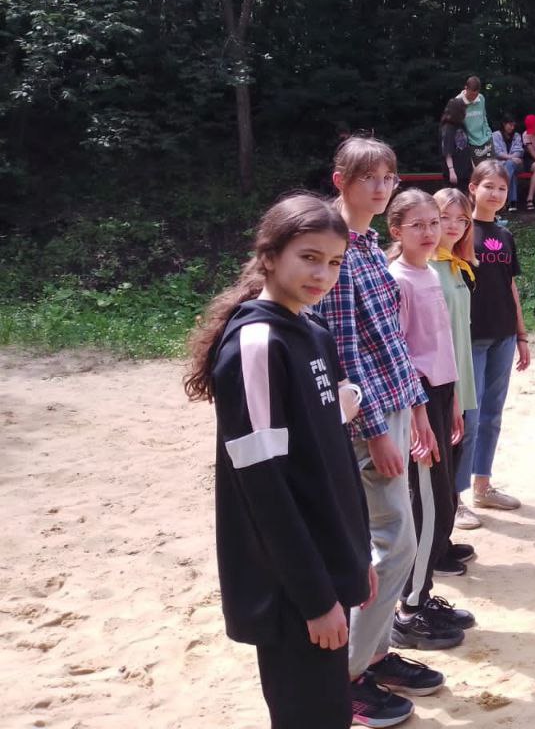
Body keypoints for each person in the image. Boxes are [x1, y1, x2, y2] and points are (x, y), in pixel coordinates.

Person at [184, 194, 374, 729]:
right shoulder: (257, 345)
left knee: (330, 711)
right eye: (308, 257)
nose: (322, 274)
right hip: (293, 585)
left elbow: (333, 458)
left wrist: (357, 553)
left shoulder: (313, 333)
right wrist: (315, 599)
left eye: (334, 262)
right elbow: (264, 486)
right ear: (269, 256)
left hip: (328, 561)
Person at [314, 137, 440, 726]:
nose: (381, 187)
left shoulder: (366, 244)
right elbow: (343, 353)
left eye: (389, 177)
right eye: (368, 177)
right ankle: (349, 677)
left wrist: (417, 409)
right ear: (340, 179)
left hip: (395, 407)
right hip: (368, 420)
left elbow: (390, 339)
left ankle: (377, 654)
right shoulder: (334, 247)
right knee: (394, 547)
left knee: (392, 540)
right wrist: (375, 431)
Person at [384, 189, 476, 655]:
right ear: (396, 231)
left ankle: (421, 596)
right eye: (417, 225)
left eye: (433, 223)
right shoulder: (396, 279)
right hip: (416, 401)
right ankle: (409, 610)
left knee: (442, 497)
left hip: (441, 395)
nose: (429, 232)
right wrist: (418, 411)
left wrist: (454, 396)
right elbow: (399, 354)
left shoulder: (431, 274)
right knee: (428, 503)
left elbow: (443, 344)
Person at [465, 160, 533, 514]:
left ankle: (482, 487)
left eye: (502, 188)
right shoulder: (459, 230)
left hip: (503, 336)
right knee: (468, 418)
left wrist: (521, 335)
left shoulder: (505, 236)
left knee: (492, 415)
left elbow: (510, 286)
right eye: (488, 186)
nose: (495, 193)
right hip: (470, 337)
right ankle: (454, 498)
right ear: (473, 188)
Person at [431, 188, 482, 534]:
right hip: (439, 379)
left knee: (457, 447)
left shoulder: (457, 266)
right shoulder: (425, 267)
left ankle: (446, 531)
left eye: (461, 219)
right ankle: (437, 539)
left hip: (462, 372)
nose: (453, 226)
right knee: (440, 455)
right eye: (444, 217)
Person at [491, 115, 525, 212]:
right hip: (500, 165)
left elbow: (519, 151)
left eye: (513, 125)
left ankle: (500, 194)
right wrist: (511, 158)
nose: (512, 128)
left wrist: (511, 159)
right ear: (504, 124)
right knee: (511, 172)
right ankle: (512, 202)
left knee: (510, 165)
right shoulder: (495, 135)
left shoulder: (517, 135)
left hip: (517, 164)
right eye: (510, 125)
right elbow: (497, 152)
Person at [439, 97, 473, 191]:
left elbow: (467, 147)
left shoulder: (462, 125)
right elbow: (447, 152)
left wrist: (472, 166)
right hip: (454, 172)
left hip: (465, 170)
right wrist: (451, 170)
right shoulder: (447, 128)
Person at [457, 76, 493, 162]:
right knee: (479, 169)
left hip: (486, 139)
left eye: (476, 95)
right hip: (471, 142)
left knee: (492, 166)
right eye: (471, 95)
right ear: (466, 88)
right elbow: (458, 126)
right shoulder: (458, 102)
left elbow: (484, 117)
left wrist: (488, 133)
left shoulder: (481, 98)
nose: (473, 98)